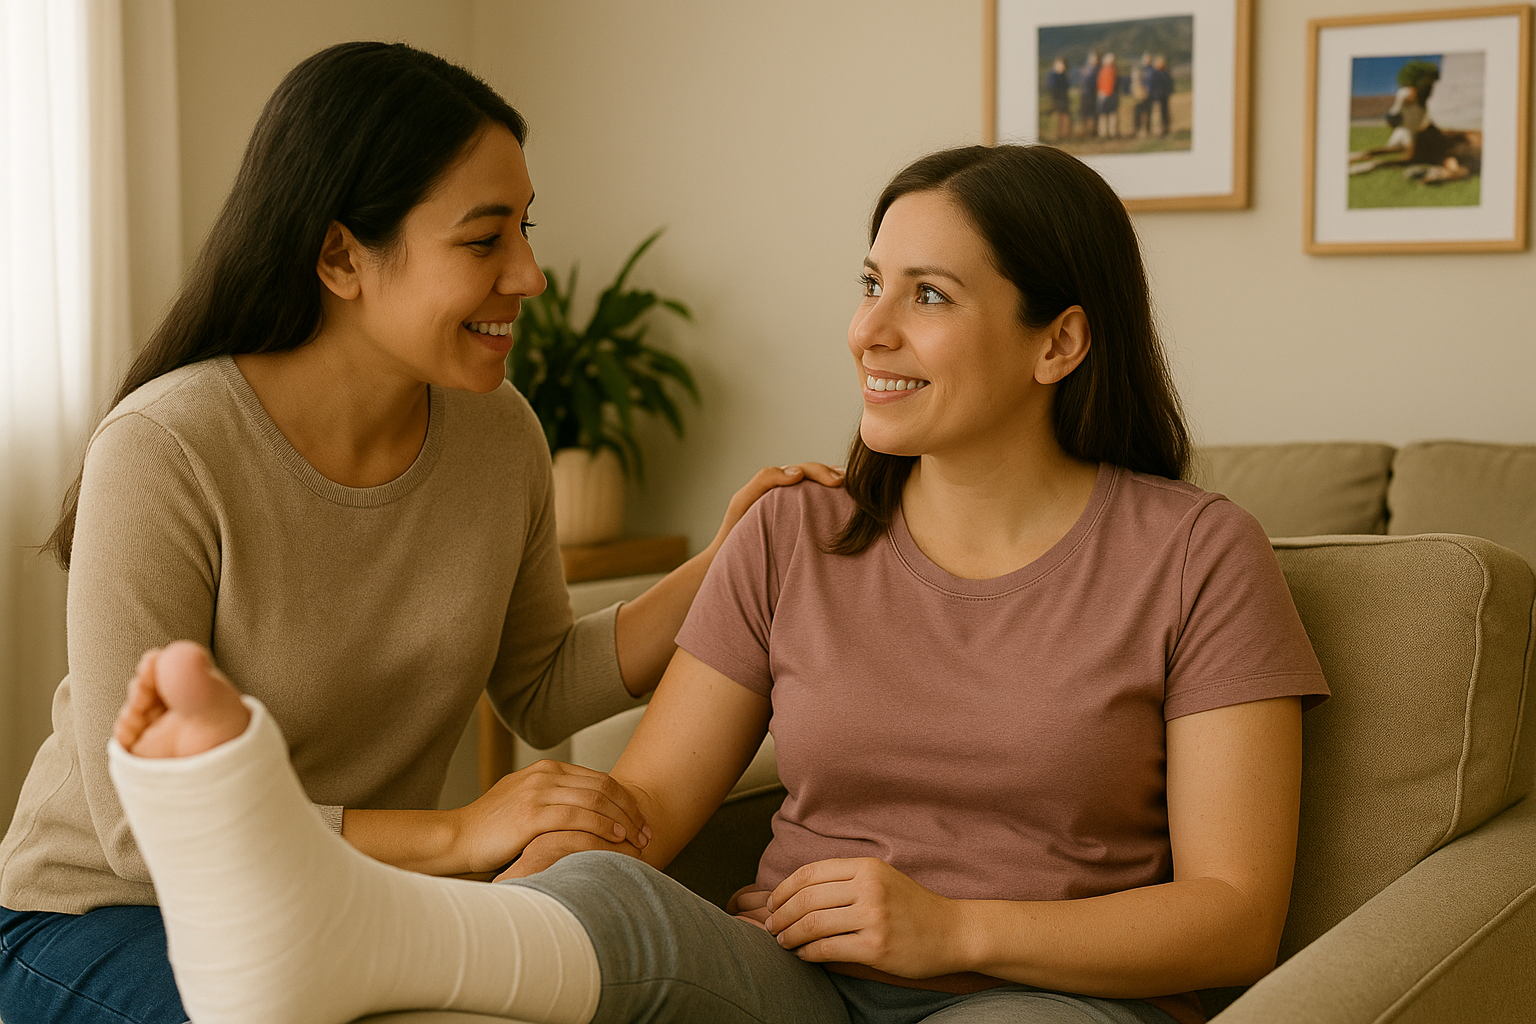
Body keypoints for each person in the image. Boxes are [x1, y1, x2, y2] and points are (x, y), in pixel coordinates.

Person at [97, 143, 1329, 1024]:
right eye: (871, 283)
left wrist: (955, 929)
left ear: (1059, 341)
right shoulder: (797, 536)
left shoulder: (1196, 555)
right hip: (782, 976)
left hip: (1044, 995)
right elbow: (642, 813)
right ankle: (341, 942)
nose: (869, 328)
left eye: (930, 296)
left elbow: (1232, 913)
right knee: (601, 891)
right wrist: (509, 892)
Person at [0, 41, 839, 1024]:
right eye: (484, 241)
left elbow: (538, 680)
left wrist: (726, 562)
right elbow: (140, 825)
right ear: (341, 256)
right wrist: (459, 835)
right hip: (110, 914)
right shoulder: (166, 447)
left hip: (349, 908)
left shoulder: (498, 432)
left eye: (524, 230)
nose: (528, 274)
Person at [1046, 57, 1073, 142]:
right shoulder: (1053, 75)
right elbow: (1051, 88)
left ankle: (1065, 135)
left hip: (1064, 99)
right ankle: (1056, 135)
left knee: (1065, 117)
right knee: (1057, 117)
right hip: (1057, 99)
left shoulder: (1064, 75)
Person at [1096, 53, 1121, 139]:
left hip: (1110, 95)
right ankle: (1104, 133)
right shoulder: (1104, 71)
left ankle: (1111, 133)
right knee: (1105, 115)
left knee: (1111, 115)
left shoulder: (1112, 71)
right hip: (1105, 95)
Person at [1149, 56, 1175, 138]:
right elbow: (1151, 85)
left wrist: (1169, 92)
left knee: (1165, 114)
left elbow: (1170, 83)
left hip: (1164, 96)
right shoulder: (1153, 73)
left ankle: (1166, 130)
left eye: (1162, 63)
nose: (1161, 64)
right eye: (1159, 63)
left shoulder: (1165, 73)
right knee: (1157, 115)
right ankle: (1158, 131)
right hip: (1156, 97)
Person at [1077, 51, 1102, 137]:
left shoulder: (1099, 69)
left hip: (1094, 95)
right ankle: (1085, 131)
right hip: (1085, 94)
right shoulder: (1086, 69)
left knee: (1093, 114)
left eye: (1096, 59)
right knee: (1085, 113)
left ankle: (1092, 131)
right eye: (1093, 58)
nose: (1094, 60)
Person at [1133, 54, 1155, 137]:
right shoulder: (1141, 70)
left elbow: (1152, 84)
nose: (1146, 61)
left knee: (1148, 114)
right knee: (1138, 114)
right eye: (1145, 59)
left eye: (1148, 59)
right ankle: (1138, 130)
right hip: (1141, 96)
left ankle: (1148, 131)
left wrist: (1148, 93)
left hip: (1149, 96)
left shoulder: (1152, 71)